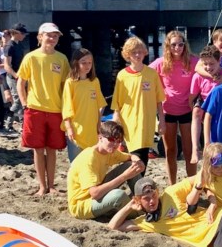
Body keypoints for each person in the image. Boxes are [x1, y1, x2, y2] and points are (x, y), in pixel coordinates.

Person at [17, 22, 70, 196]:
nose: (52, 38)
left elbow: (67, 86)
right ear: (40, 37)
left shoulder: (61, 59)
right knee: (38, 149)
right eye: (49, 35)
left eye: (55, 36)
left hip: (56, 109)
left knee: (52, 149)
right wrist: (25, 104)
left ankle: (52, 185)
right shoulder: (31, 57)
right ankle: (41, 186)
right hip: (35, 108)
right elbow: (21, 82)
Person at [111, 35, 166, 185]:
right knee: (134, 156)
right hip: (129, 123)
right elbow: (117, 103)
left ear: (144, 53)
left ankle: (138, 187)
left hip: (147, 122)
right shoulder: (122, 75)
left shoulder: (151, 73)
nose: (137, 55)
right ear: (127, 55)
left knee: (143, 155)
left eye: (140, 52)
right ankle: (137, 187)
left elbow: (159, 100)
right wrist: (115, 123)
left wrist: (161, 121)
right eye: (134, 52)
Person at [66, 120, 146, 220]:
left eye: (118, 141)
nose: (115, 144)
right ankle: (141, 213)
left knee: (130, 166)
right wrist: (124, 176)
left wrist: (138, 161)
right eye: (111, 139)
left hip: (96, 193)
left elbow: (130, 157)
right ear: (100, 137)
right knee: (119, 195)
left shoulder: (109, 151)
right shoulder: (89, 158)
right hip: (82, 205)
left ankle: (144, 199)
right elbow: (95, 194)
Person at [149, 30, 199, 184]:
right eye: (174, 45)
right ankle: (172, 185)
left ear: (185, 45)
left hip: (187, 110)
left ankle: (191, 184)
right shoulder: (160, 62)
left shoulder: (193, 61)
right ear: (168, 46)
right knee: (170, 151)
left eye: (180, 44)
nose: (177, 48)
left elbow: (209, 67)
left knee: (189, 150)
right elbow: (143, 74)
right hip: (167, 111)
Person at [62, 48, 107, 162]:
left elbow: (100, 104)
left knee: (91, 161)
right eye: (83, 62)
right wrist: (68, 127)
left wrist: (98, 124)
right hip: (76, 129)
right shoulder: (70, 82)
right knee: (76, 162)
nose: (87, 66)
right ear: (76, 63)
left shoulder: (94, 81)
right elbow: (66, 106)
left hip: (91, 129)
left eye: (89, 63)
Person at [189, 45, 221, 165]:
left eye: (212, 64)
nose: (208, 67)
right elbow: (192, 96)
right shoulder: (198, 76)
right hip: (204, 101)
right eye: (205, 64)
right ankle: (195, 149)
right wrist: (191, 106)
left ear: (219, 61)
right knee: (196, 111)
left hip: (219, 104)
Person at [3, 23, 29, 130]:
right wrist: (16, 76)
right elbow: (7, 66)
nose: (24, 36)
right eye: (22, 33)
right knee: (18, 100)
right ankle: (8, 124)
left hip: (22, 76)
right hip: (13, 77)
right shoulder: (9, 46)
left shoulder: (19, 45)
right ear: (16, 33)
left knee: (24, 99)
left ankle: (23, 124)